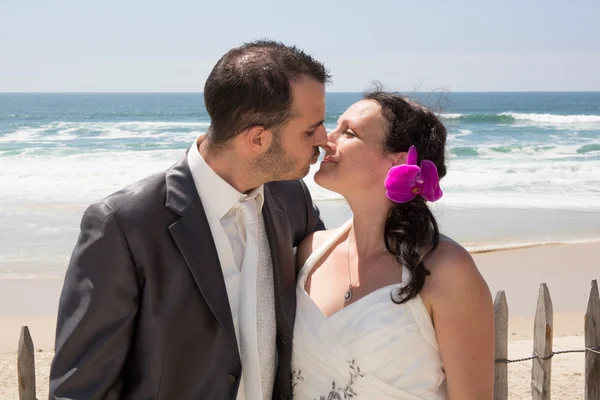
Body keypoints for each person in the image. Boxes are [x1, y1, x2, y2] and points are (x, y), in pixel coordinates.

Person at [49, 40, 330, 400]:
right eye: (311, 130)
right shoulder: (124, 225)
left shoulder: (292, 198)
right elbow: (81, 388)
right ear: (257, 139)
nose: (325, 139)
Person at [292, 89, 495, 399]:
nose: (325, 139)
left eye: (348, 132)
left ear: (398, 161)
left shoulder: (446, 269)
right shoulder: (310, 253)